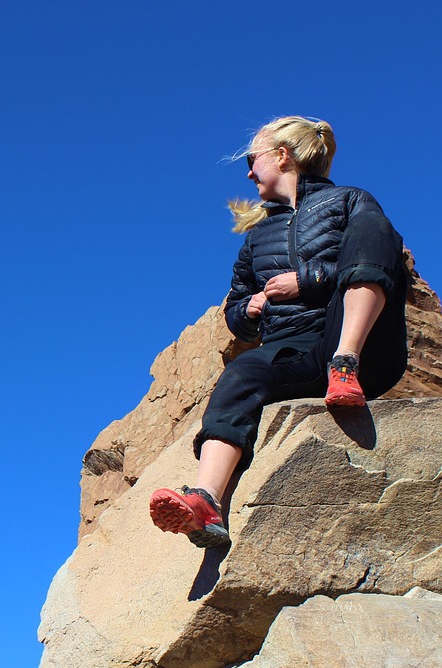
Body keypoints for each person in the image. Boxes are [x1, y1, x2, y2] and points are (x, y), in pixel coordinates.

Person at [149, 116, 408, 549]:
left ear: (282, 156)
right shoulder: (256, 237)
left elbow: (381, 256)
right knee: (242, 374)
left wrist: (307, 281)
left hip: (360, 345)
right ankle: (206, 501)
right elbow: (235, 310)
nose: (249, 172)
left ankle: (346, 363)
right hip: (296, 352)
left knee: (375, 227)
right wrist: (247, 311)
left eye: (252, 160)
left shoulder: (349, 201)